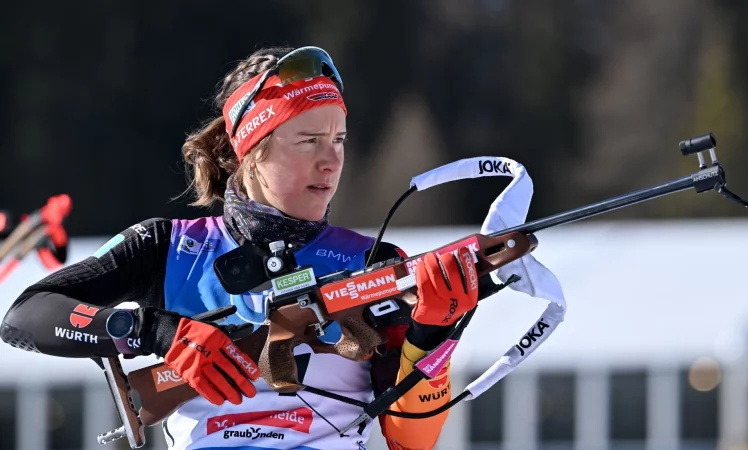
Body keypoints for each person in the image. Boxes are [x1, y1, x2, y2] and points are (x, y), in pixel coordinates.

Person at [1, 45, 479, 450]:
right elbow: (24, 316)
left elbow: (409, 441)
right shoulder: (168, 246)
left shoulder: (373, 263)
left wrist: (432, 337)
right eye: (308, 140)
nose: (330, 160)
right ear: (246, 152)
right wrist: (158, 332)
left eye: (339, 139)